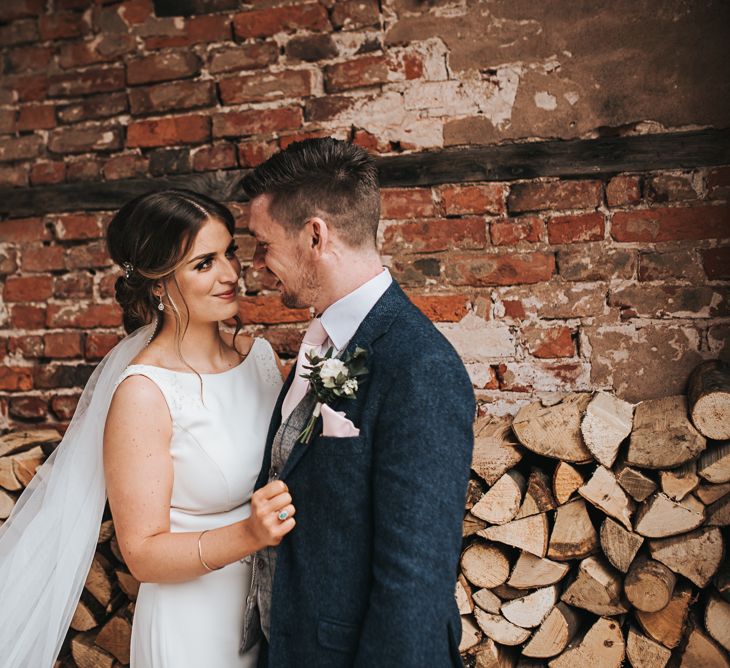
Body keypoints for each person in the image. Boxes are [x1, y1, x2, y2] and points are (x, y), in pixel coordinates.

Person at [0, 189, 294, 668]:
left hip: (273, 614)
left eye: (229, 253)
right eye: (204, 264)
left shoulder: (261, 360)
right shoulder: (143, 392)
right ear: (158, 285)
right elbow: (143, 554)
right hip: (195, 628)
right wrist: (249, 534)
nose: (229, 274)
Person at [240, 138, 476, 667]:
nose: (257, 265)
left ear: (314, 236)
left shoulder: (420, 367)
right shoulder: (324, 341)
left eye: (262, 243)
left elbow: (413, 585)